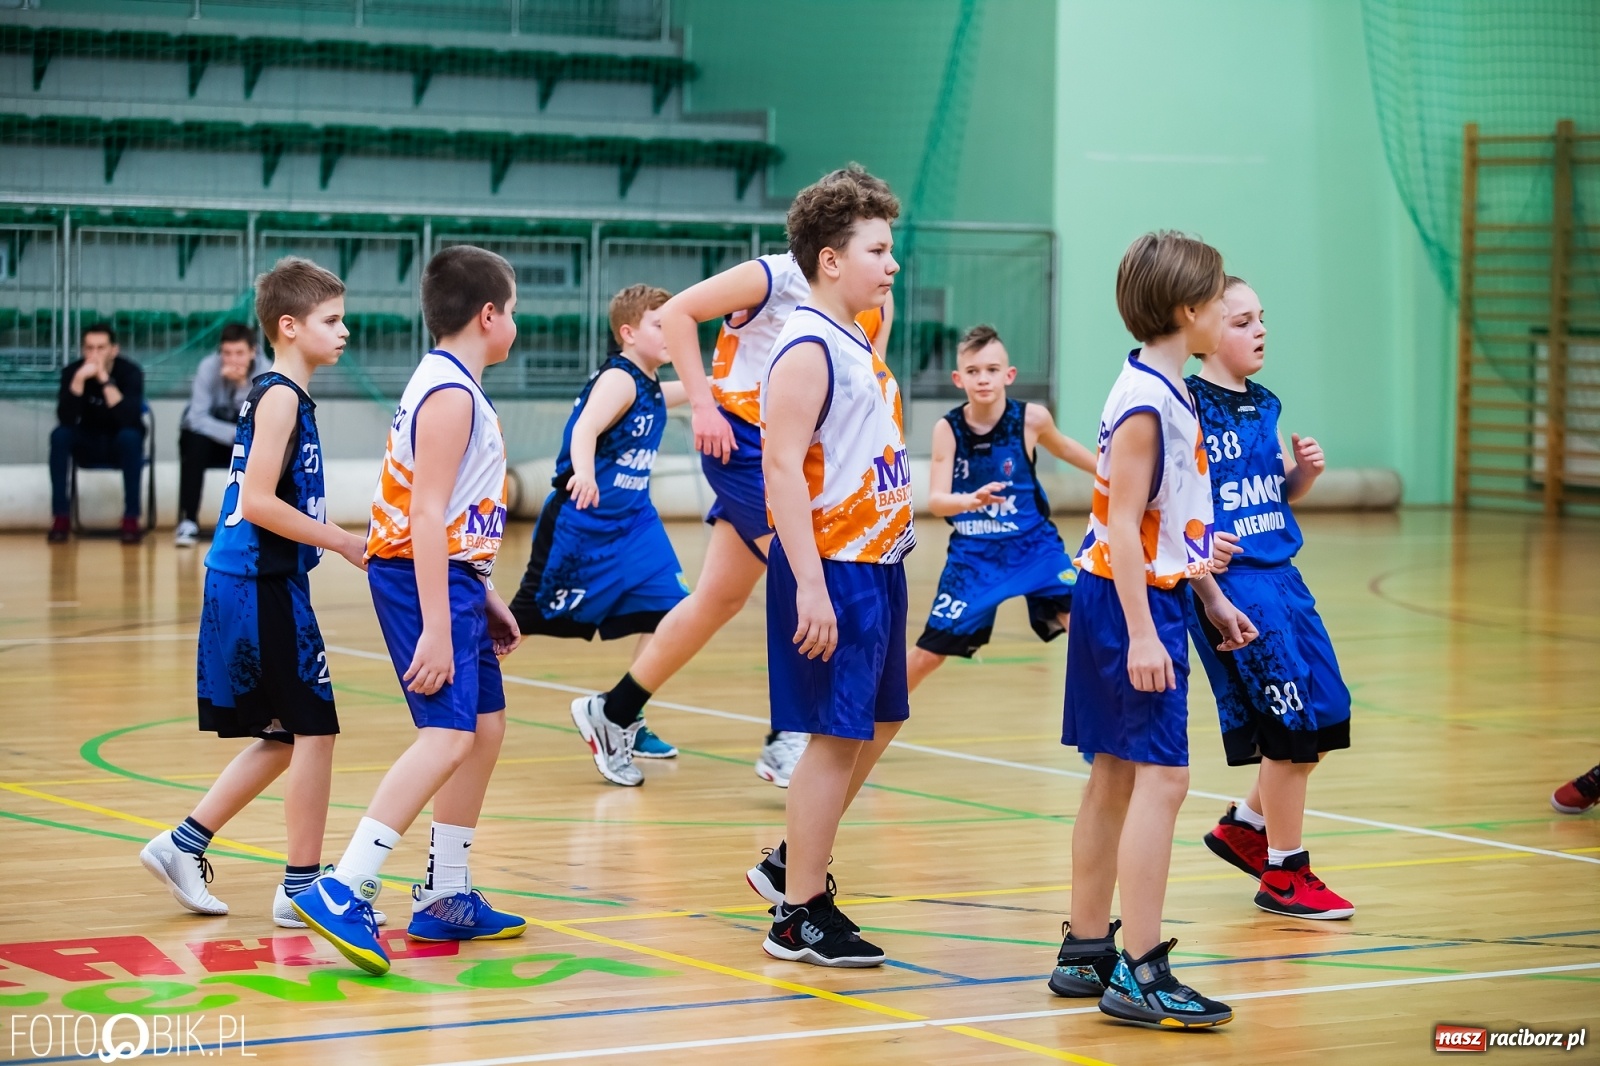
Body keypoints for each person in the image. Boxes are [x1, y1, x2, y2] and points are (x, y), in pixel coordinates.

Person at [573, 240, 892, 790]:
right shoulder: (773, 275)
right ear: (834, 246)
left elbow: (864, 379)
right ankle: (787, 737)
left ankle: (615, 710)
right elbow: (678, 312)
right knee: (810, 581)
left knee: (717, 598)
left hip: (804, 455)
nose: (889, 260)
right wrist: (701, 404)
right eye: (877, 244)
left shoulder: (871, 298)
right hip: (744, 446)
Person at [293, 245, 524, 977]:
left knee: (483, 728)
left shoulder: (450, 383)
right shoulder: (451, 393)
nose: (514, 321)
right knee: (446, 735)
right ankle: (345, 885)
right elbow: (423, 514)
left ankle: (445, 894)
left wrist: (480, 590)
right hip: (421, 579)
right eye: (511, 310)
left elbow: (441, 509)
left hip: (451, 576)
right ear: (488, 316)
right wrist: (435, 621)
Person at [1046, 231, 1253, 1028]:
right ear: (1188, 311)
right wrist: (1143, 632)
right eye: (1220, 301)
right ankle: (1141, 971)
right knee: (1162, 781)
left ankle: (1087, 951)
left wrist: (1209, 594)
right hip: (1127, 604)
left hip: (1135, 596)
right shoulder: (1147, 404)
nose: (1229, 312)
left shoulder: (1164, 387)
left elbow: (1164, 523)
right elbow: (1124, 527)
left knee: (1115, 779)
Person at [137, 258, 373, 929]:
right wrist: (342, 541)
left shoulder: (283, 395)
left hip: (255, 580)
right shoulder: (278, 397)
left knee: (283, 735)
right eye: (332, 320)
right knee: (316, 731)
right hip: (257, 582)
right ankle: (302, 886)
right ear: (290, 326)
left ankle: (182, 844)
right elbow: (260, 501)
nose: (345, 330)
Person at [747, 164, 910, 968]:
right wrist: (809, 582)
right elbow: (779, 468)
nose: (893, 264)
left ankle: (792, 863)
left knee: (877, 722)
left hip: (877, 560)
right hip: (834, 565)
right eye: (879, 249)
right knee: (835, 736)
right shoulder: (807, 343)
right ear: (831, 259)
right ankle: (797, 911)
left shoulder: (855, 342)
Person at [1186, 276, 1355, 921]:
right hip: (1236, 587)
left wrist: (1301, 476)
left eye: (1263, 319)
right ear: (1204, 332)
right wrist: (1201, 557)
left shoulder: (1265, 404)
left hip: (1284, 576)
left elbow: (1268, 494)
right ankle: (1285, 874)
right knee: (1288, 732)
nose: (1258, 331)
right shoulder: (1186, 406)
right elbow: (1166, 500)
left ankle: (1246, 825)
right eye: (1242, 321)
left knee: (1322, 713)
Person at [508, 284, 692, 783]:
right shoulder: (621, 379)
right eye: (660, 323)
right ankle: (452, 670)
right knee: (520, 621)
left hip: (633, 524)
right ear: (628, 333)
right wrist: (584, 473)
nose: (671, 332)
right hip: (581, 524)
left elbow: (703, 387)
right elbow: (585, 428)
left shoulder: (651, 384)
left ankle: (625, 714)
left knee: (676, 615)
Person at [906, 324, 1096, 692]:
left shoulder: (1032, 419)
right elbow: (936, 501)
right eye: (973, 372)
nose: (983, 379)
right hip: (975, 558)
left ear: (1008, 375)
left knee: (1086, 628)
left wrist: (1112, 473)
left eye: (992, 370)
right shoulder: (948, 429)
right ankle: (862, 722)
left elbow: (1068, 449)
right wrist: (970, 500)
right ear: (958, 379)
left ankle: (1108, 734)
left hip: (1034, 548)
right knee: (928, 655)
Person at [48, 323, 146, 544]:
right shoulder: (73, 372)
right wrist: (78, 381)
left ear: (114, 349)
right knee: (59, 435)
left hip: (119, 443)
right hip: (87, 441)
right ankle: (60, 517)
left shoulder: (130, 372)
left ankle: (131, 518)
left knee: (131, 437)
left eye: (101, 348)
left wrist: (104, 380)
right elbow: (66, 418)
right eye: (89, 348)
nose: (94, 354)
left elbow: (127, 418)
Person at [175, 322, 272, 547]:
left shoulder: (266, 372)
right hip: (215, 441)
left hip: (250, 442)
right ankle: (188, 520)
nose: (232, 360)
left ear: (252, 352)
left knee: (266, 445)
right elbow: (196, 418)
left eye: (239, 353)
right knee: (193, 441)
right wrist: (234, 435)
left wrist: (240, 386)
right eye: (227, 353)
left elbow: (260, 423)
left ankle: (254, 523)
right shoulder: (208, 368)